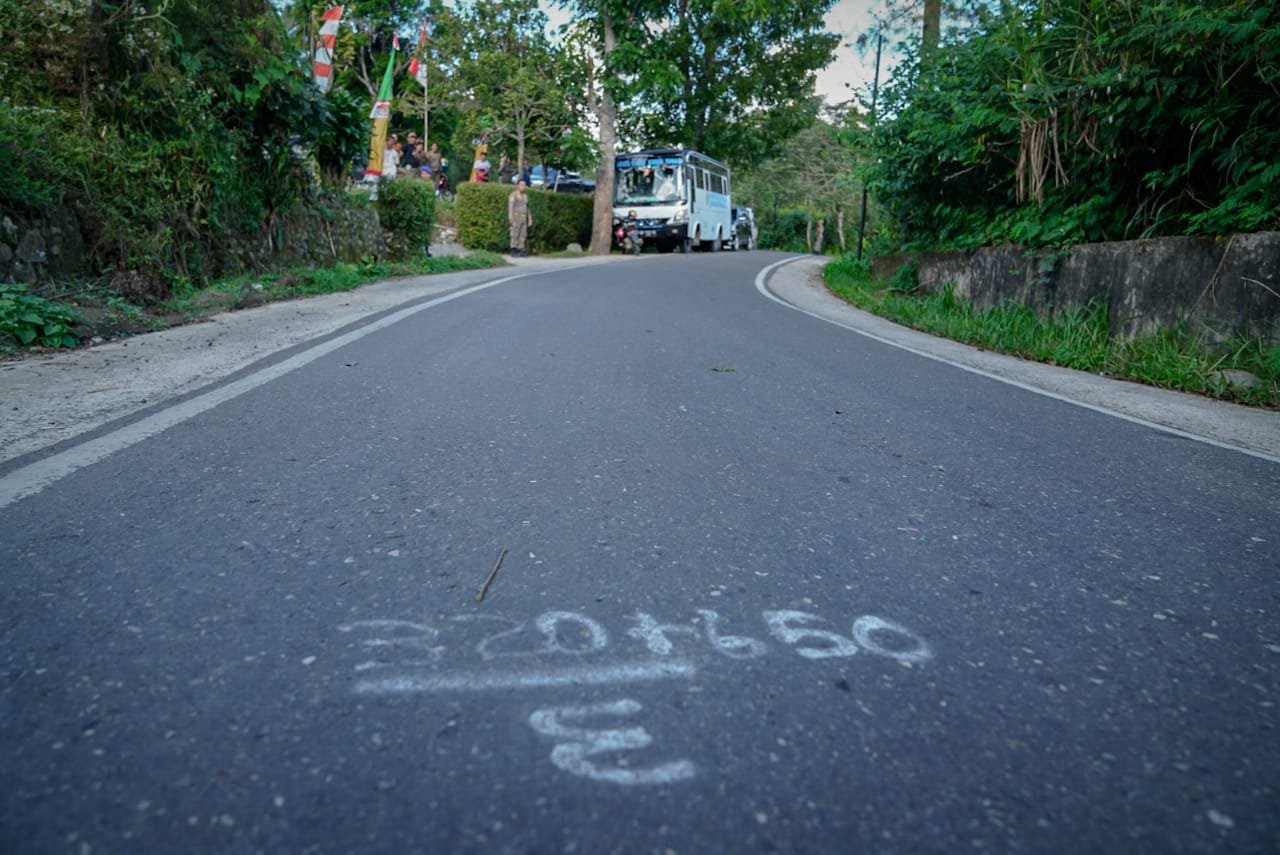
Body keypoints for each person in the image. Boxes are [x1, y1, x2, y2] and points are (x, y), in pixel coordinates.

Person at [508, 179, 532, 256]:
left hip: (524, 217)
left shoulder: (525, 196)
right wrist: (510, 218)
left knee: (523, 234)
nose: (523, 187)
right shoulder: (513, 195)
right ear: (518, 186)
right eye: (521, 185)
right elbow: (511, 207)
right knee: (515, 233)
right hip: (516, 217)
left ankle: (520, 249)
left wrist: (530, 218)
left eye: (524, 185)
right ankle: (514, 249)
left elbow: (527, 207)